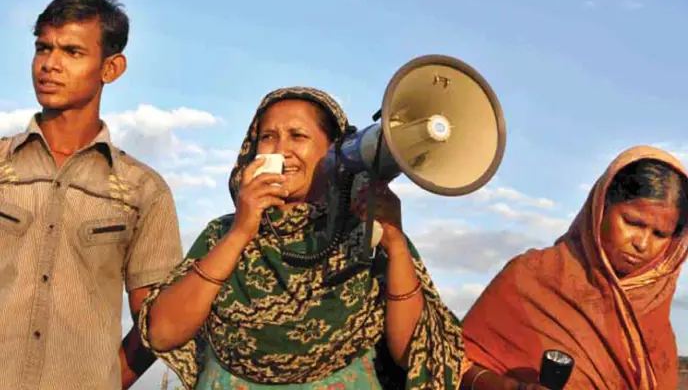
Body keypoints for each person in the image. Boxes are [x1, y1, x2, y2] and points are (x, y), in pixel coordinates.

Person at [137, 87, 467, 389]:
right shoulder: (222, 235)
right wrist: (241, 232)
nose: (282, 150)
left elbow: (414, 354)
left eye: (298, 136)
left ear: (334, 152)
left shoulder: (370, 238)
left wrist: (394, 244)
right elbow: (163, 333)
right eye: (268, 137)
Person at [0, 0, 183, 389]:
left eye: (72, 51)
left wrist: (105, 379)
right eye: (43, 48)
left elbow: (156, 327)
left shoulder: (142, 190)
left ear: (111, 68)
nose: (50, 64)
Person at [459, 146, 688, 390]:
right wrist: (513, 388)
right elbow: (451, 365)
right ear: (601, 207)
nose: (642, 244)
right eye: (633, 222)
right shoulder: (529, 278)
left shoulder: (654, 320)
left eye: (660, 234)